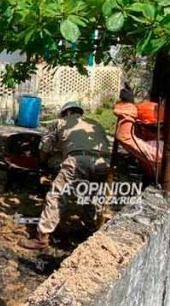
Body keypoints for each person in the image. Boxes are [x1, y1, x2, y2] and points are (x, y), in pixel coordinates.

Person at [20, 101, 110, 250]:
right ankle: (90, 228)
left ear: (67, 112)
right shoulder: (96, 124)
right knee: (92, 196)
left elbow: (45, 146)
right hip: (103, 163)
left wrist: (42, 165)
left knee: (56, 196)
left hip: (78, 160)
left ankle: (41, 238)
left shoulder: (61, 122)